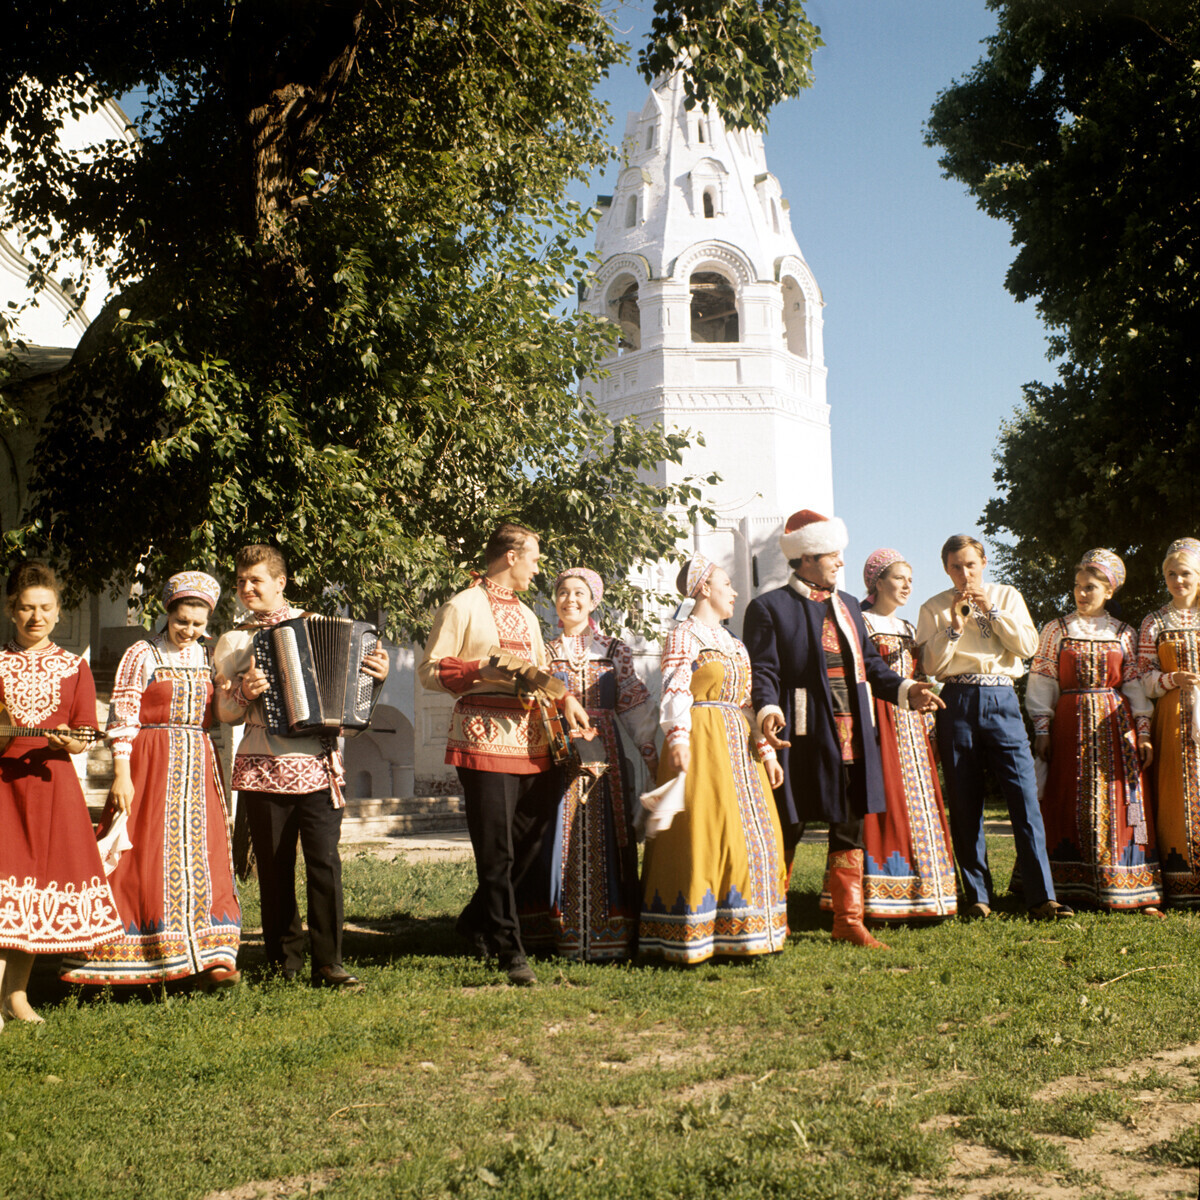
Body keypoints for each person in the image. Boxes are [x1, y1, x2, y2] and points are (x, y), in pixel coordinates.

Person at [744, 512, 942, 951]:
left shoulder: (850, 604)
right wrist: (768, 709)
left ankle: (848, 921)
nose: (839, 562)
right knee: (789, 822)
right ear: (807, 557)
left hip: (854, 729)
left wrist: (909, 690)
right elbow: (764, 670)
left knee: (849, 821)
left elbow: (871, 666)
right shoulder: (768, 607)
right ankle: (774, 917)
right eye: (833, 554)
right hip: (800, 728)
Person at [419, 523, 591, 986]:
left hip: (533, 741)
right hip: (483, 737)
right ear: (512, 556)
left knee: (530, 842)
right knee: (496, 851)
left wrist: (566, 697)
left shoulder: (529, 616)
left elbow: (541, 671)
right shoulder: (462, 605)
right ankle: (509, 950)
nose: (538, 569)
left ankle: (476, 921)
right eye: (534, 558)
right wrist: (482, 671)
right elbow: (430, 670)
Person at [213, 544, 389, 988]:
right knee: (273, 869)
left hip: (318, 766)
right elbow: (225, 712)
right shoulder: (234, 640)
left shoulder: (317, 626)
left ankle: (329, 962)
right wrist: (245, 693)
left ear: (280, 583)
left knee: (324, 864)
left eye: (255, 579)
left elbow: (351, 703)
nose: (246, 588)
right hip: (261, 766)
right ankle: (282, 964)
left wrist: (376, 678)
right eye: (240, 581)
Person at [62, 572, 243, 987]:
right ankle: (139, 954)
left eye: (198, 624)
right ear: (168, 614)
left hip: (197, 762)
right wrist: (122, 776)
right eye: (183, 621)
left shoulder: (208, 655)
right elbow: (122, 717)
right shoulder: (142, 654)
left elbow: (224, 709)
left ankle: (210, 956)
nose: (190, 631)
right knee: (143, 852)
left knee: (203, 853)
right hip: (149, 760)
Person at [639, 555, 788, 963]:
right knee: (704, 832)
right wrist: (679, 737)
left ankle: (749, 926)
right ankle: (695, 930)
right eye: (727, 584)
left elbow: (743, 704)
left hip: (738, 746)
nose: (735, 592)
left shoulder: (734, 644)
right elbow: (674, 689)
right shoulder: (683, 636)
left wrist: (765, 751)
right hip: (700, 739)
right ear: (704, 588)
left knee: (753, 831)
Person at [916, 534, 1073, 920]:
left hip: (1002, 697)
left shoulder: (1007, 595)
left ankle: (1041, 897)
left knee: (1023, 797)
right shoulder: (933, 606)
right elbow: (931, 666)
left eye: (970, 564)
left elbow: (1029, 646)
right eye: (955, 566)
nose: (964, 573)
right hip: (956, 699)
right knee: (965, 801)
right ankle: (978, 897)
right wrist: (953, 626)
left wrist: (994, 613)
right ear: (945, 568)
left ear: (984, 562)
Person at [0, 563, 122, 1028]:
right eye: (27, 608)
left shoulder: (74, 667)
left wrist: (70, 740)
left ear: (57, 613)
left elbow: (84, 731)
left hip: (51, 786)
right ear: (13, 612)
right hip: (3, 786)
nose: (36, 617)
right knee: (4, 884)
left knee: (35, 887)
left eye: (45, 608)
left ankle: (16, 996)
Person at [519, 568, 658, 961]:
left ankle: (609, 933)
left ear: (594, 601)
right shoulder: (542, 652)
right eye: (563, 593)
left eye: (579, 593)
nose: (570, 600)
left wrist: (651, 754)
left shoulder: (615, 651)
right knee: (553, 837)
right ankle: (557, 932)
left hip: (606, 756)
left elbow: (633, 704)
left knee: (610, 835)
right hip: (558, 755)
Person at [1024, 549, 1162, 914]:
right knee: (1066, 796)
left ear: (1109, 592)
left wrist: (1143, 729)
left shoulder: (1123, 633)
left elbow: (1133, 686)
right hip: (1069, 723)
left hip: (1115, 726)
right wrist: (1042, 727)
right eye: (1077, 587)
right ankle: (1067, 884)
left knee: (1124, 800)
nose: (1081, 594)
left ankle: (1132, 882)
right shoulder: (1057, 630)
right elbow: (1042, 681)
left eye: (1090, 588)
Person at [829, 550, 957, 922]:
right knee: (881, 795)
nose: (907, 586)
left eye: (910, 580)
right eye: (899, 578)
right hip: (876, 716)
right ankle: (876, 890)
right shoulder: (861, 623)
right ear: (877, 581)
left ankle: (924, 888)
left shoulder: (907, 628)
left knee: (916, 798)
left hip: (910, 721)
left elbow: (920, 671)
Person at [1138, 537, 1200, 908]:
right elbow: (1141, 677)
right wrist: (1171, 679)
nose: (1179, 580)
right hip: (1173, 716)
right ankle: (1181, 881)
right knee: (1176, 791)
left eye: (1186, 573)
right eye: (1171, 574)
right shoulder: (1154, 621)